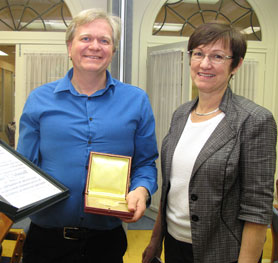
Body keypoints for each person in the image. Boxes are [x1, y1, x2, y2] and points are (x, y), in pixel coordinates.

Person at [17, 8, 158, 263]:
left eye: (104, 40)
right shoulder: (39, 99)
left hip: (105, 242)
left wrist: (142, 190)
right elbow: (25, 165)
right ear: (70, 46)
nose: (95, 46)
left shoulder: (136, 100)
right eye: (85, 38)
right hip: (45, 242)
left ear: (113, 51)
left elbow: (146, 163)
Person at [142, 22, 277, 263]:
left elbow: (257, 209)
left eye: (217, 56)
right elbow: (172, 190)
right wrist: (155, 242)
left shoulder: (255, 120)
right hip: (175, 246)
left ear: (236, 65)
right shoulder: (181, 114)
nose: (205, 64)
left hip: (223, 253)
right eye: (198, 54)